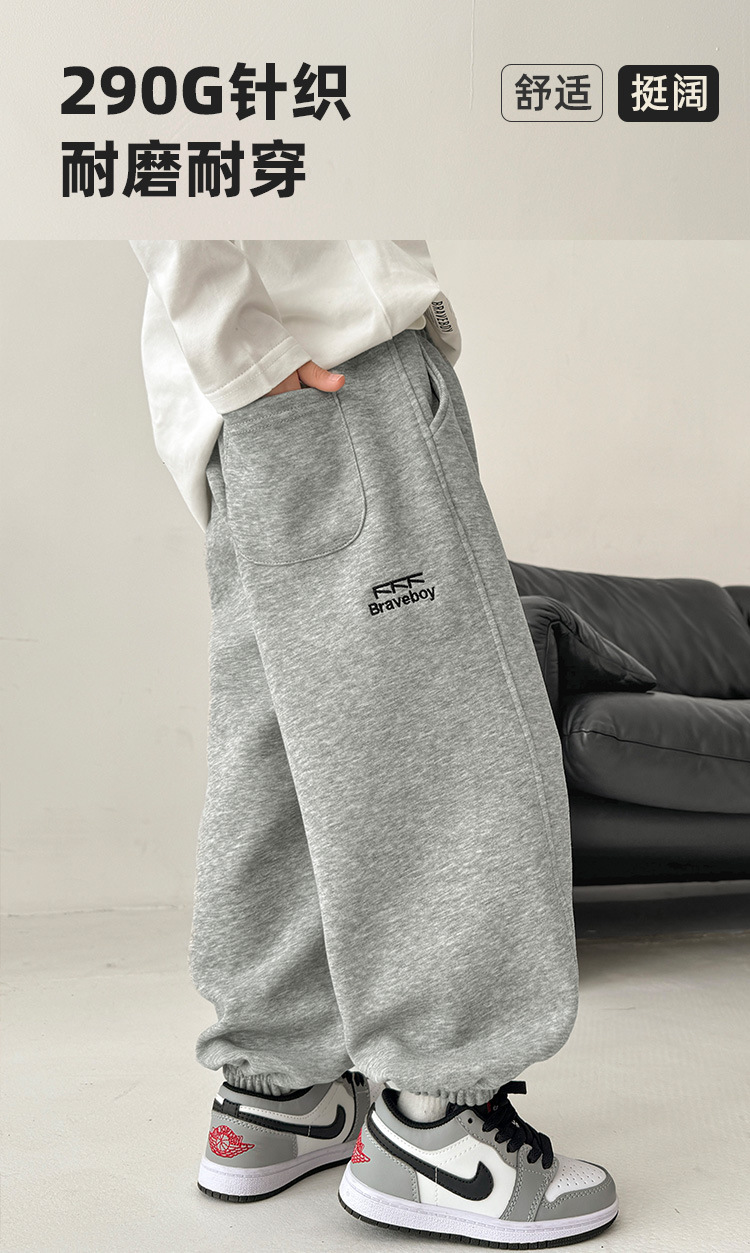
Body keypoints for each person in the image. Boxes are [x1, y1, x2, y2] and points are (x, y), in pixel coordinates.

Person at [130, 240, 618, 1247]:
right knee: (441, 749)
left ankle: (280, 1088)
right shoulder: (291, 349)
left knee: (284, 748)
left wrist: (239, 359)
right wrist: (253, 351)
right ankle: (438, 1124)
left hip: (239, 407)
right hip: (332, 371)